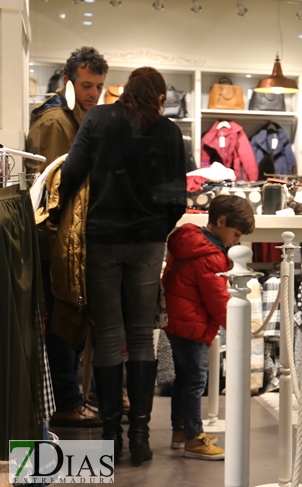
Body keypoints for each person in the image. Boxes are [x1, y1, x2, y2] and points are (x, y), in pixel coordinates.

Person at [59, 67, 187, 465]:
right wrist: (157, 229)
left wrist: (66, 214)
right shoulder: (169, 133)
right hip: (147, 243)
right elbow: (177, 199)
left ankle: (112, 435)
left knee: (110, 336)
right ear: (161, 96)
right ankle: (142, 436)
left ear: (124, 90)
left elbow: (71, 173)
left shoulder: (98, 118)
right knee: (141, 336)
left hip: (102, 240)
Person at [26, 46, 108, 429]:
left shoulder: (73, 118)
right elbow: (55, 190)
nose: (93, 93)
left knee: (66, 318)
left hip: (61, 240)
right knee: (61, 319)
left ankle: (71, 397)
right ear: (68, 81)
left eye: (99, 87)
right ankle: (66, 400)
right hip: (52, 243)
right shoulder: (57, 121)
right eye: (87, 85)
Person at [162, 195, 255, 461]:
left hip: (177, 319)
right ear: (222, 221)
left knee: (184, 378)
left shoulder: (189, 240)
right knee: (195, 380)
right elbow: (218, 302)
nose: (236, 241)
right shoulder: (211, 256)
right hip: (193, 324)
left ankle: (180, 429)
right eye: (235, 234)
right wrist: (238, 326)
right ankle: (193, 437)